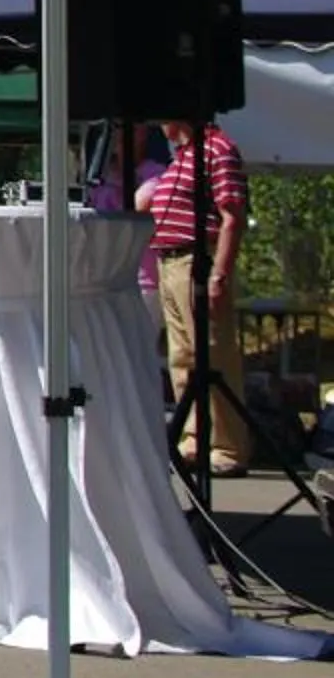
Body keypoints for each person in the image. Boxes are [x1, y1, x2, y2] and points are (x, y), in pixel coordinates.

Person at [138, 115, 250, 473]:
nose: (159, 125)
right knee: (182, 357)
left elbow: (232, 215)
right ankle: (194, 438)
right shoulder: (182, 156)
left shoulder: (217, 149)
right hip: (169, 263)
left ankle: (227, 446)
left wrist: (219, 273)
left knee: (212, 354)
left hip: (197, 260)